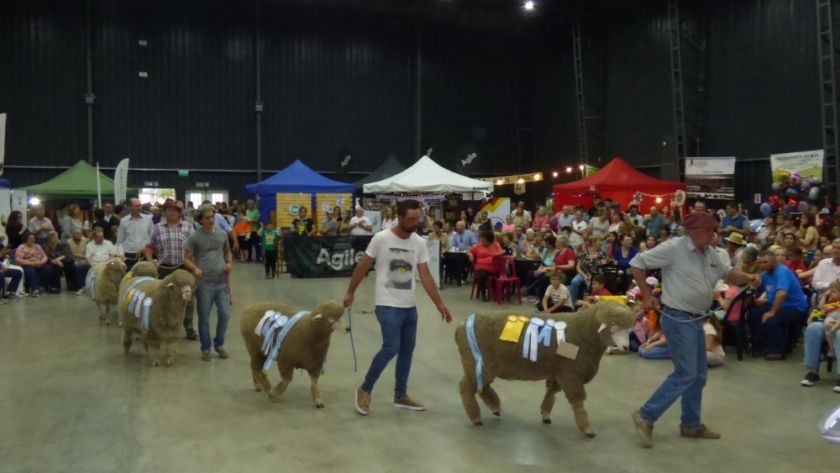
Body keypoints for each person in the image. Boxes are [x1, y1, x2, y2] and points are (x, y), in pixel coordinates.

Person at [629, 211, 759, 448]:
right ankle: (646, 415)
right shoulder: (674, 248)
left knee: (698, 376)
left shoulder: (710, 254)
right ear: (695, 231)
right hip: (678, 318)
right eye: (710, 230)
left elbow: (728, 273)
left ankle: (690, 424)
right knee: (686, 374)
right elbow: (637, 263)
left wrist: (748, 276)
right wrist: (647, 296)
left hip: (696, 320)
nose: (714, 235)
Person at [344, 199, 452, 416]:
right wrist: (351, 291)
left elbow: (425, 274)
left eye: (417, 219)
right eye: (411, 219)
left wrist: (439, 303)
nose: (415, 223)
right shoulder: (381, 238)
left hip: (409, 306)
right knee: (391, 347)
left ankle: (400, 395)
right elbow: (363, 265)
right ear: (400, 218)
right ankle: (365, 389)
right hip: (387, 304)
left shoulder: (418, 243)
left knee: (407, 350)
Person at [184, 204, 233, 361]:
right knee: (204, 317)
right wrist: (194, 269)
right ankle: (206, 348)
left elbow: (227, 251)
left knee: (225, 314)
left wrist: (229, 263)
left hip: (222, 282)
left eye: (212, 216)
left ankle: (219, 344)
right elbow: (186, 259)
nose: (211, 220)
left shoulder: (222, 234)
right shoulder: (195, 237)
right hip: (204, 283)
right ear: (200, 220)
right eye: (207, 218)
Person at [144, 200, 197, 339]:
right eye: (168, 210)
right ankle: (163, 326)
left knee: (188, 298)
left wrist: (194, 264)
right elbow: (149, 247)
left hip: (184, 267)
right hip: (164, 268)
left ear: (179, 212)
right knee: (163, 298)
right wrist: (150, 261)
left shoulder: (188, 228)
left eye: (175, 210)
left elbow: (195, 248)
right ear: (164, 212)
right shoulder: (157, 228)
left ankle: (189, 327)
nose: (172, 212)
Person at [748, 251, 809, 360]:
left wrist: (772, 311)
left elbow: (782, 293)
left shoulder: (782, 271)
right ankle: (763, 344)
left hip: (795, 307)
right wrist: (753, 286)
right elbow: (757, 285)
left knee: (772, 319)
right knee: (754, 314)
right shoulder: (765, 273)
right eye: (760, 263)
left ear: (774, 261)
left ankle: (777, 350)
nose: (762, 265)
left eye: (765, 262)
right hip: (779, 305)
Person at [466, 229, 505, 302]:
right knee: (482, 275)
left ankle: (499, 292)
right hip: (481, 266)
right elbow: (468, 251)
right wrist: (470, 255)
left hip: (494, 267)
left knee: (502, 274)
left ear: (489, 240)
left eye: (484, 239)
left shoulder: (496, 244)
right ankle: (483, 293)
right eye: (482, 239)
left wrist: (496, 254)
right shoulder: (479, 245)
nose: (482, 241)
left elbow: (501, 252)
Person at [116, 198, 154, 271]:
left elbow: (152, 236)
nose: (139, 208)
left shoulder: (148, 219)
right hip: (129, 256)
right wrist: (121, 254)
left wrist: (147, 247)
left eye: (140, 205)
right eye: (136, 206)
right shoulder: (124, 221)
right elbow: (119, 241)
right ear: (130, 207)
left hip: (144, 255)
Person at [14, 232, 52, 297]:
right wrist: (31, 263)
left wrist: (41, 262)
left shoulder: (37, 246)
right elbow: (18, 260)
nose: (33, 240)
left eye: (33, 238)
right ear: (26, 239)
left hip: (38, 263)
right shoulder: (21, 248)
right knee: (31, 271)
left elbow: (45, 256)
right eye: (30, 238)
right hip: (27, 264)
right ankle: (35, 289)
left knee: (48, 269)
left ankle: (41, 286)